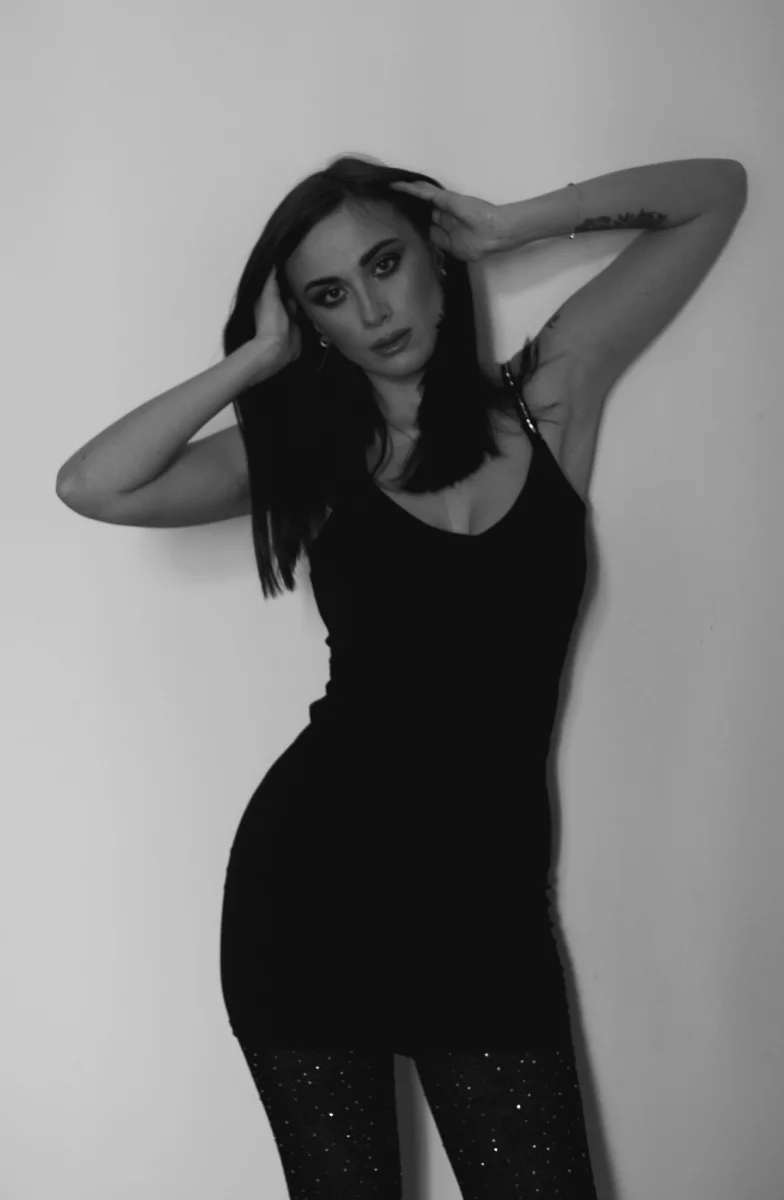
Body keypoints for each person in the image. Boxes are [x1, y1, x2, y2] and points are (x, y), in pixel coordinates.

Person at [57, 153, 601, 1197]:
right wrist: (258, 358)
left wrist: (514, 224)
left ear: (435, 257)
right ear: (309, 321)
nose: (374, 309)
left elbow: (714, 194)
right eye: (329, 295)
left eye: (385, 263)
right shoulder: (310, 454)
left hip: (485, 917)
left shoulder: (547, 401)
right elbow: (92, 484)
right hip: (309, 898)